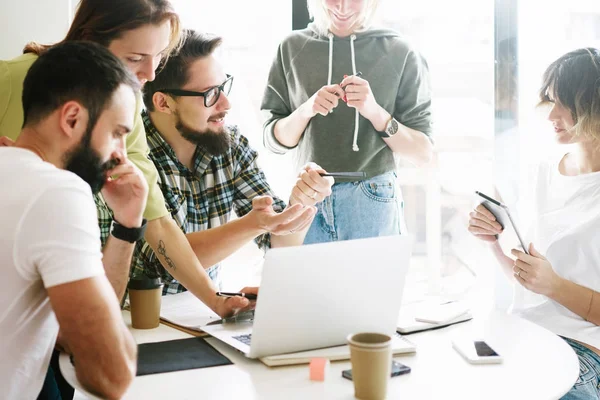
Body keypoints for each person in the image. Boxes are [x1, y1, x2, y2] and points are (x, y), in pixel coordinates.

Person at [0, 0, 253, 320]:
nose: (150, 74)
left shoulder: (127, 101)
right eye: (135, 58)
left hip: (67, 311)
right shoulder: (9, 79)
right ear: (92, 41)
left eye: (159, 57)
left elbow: (156, 218)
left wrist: (214, 300)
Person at [138, 30, 333, 293]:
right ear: (163, 102)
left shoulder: (230, 145)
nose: (226, 103)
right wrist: (254, 224)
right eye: (209, 94)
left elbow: (277, 241)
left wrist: (301, 203)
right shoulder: (131, 153)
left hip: (206, 311)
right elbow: (160, 262)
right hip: (138, 318)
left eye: (223, 87)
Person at [0, 41, 142, 400]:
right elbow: (112, 374)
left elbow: (70, 331)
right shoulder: (56, 192)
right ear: (72, 119)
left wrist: (127, 223)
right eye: (117, 133)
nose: (120, 155)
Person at [468, 48, 600, 400]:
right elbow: (530, 282)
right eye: (550, 101)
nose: (551, 115)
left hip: (583, 353)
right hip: (521, 335)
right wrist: (492, 241)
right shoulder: (543, 172)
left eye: (564, 104)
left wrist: (555, 285)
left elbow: (548, 286)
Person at [261, 0, 433, 244]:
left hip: (373, 198)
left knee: (372, 283)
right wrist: (306, 109)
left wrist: (374, 111)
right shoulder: (291, 47)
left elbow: (422, 153)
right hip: (307, 195)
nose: (342, 8)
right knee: (307, 283)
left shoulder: (401, 51)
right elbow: (273, 141)